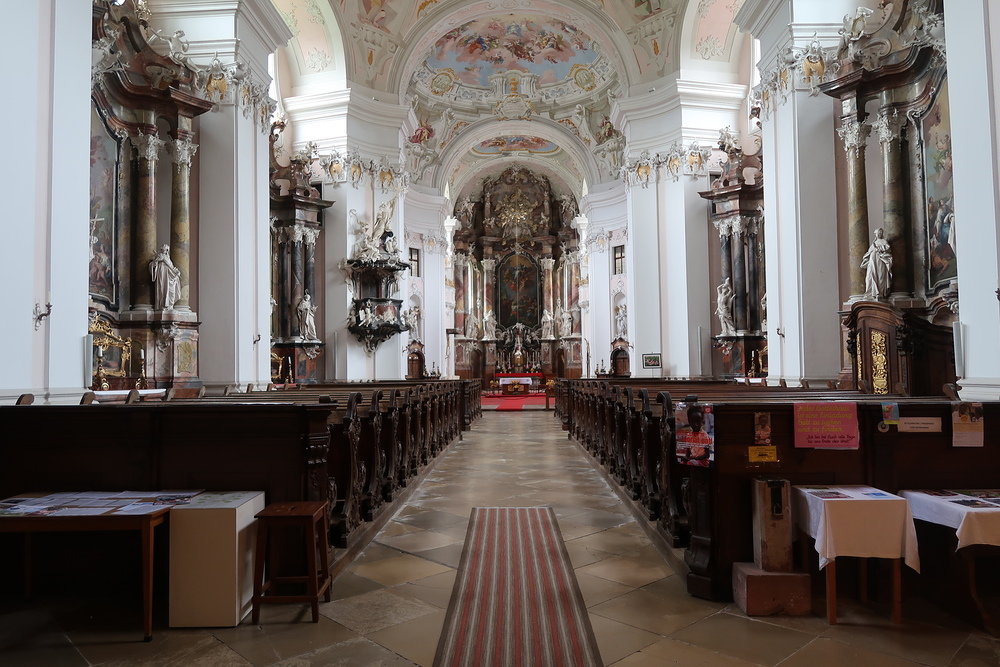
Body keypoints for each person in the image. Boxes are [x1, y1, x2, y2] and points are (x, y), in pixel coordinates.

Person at [861, 227, 893, 299]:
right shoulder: (874, 243)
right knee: (870, 276)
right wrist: (866, 258)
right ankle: (870, 292)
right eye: (877, 233)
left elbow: (888, 248)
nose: (879, 234)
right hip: (872, 260)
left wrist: (878, 249)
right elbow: (869, 252)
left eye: (880, 233)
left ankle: (879, 293)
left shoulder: (884, 241)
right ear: (875, 234)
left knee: (880, 275)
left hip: (880, 260)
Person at [150, 244, 181, 310]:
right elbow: (152, 265)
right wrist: (156, 261)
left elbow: (172, 267)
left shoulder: (168, 259)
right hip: (162, 273)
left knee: (169, 289)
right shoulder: (159, 256)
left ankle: (169, 305)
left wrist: (177, 272)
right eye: (163, 249)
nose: (165, 250)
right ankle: (162, 305)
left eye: (166, 249)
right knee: (162, 288)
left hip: (169, 275)